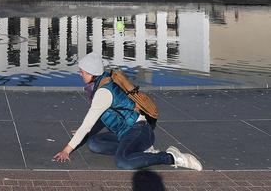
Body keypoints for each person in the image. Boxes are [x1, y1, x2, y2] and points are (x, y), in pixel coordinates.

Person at [53, 53, 202, 170]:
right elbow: (101, 117)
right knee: (93, 143)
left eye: (83, 72)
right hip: (125, 132)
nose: (80, 74)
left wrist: (66, 150)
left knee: (123, 161)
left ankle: (171, 157)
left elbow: (87, 123)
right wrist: (86, 133)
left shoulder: (103, 92)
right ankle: (139, 152)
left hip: (139, 130)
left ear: (92, 73)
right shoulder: (105, 79)